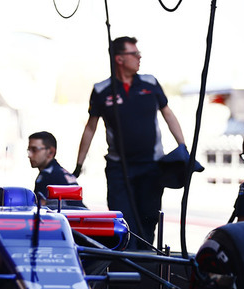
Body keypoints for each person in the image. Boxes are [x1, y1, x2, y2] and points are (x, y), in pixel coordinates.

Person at [73, 36, 186, 248]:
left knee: (148, 219)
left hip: (152, 166)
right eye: (134, 54)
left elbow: (168, 114)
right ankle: (127, 266)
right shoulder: (101, 90)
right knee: (122, 222)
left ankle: (146, 265)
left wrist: (183, 148)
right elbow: (90, 127)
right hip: (119, 168)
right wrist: (79, 164)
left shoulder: (150, 83)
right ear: (119, 59)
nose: (139, 57)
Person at [27, 130, 84, 208]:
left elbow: (38, 207)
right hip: (78, 216)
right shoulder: (59, 171)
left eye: (34, 150)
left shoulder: (47, 175)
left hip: (68, 218)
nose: (29, 155)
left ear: (51, 152)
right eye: (29, 150)